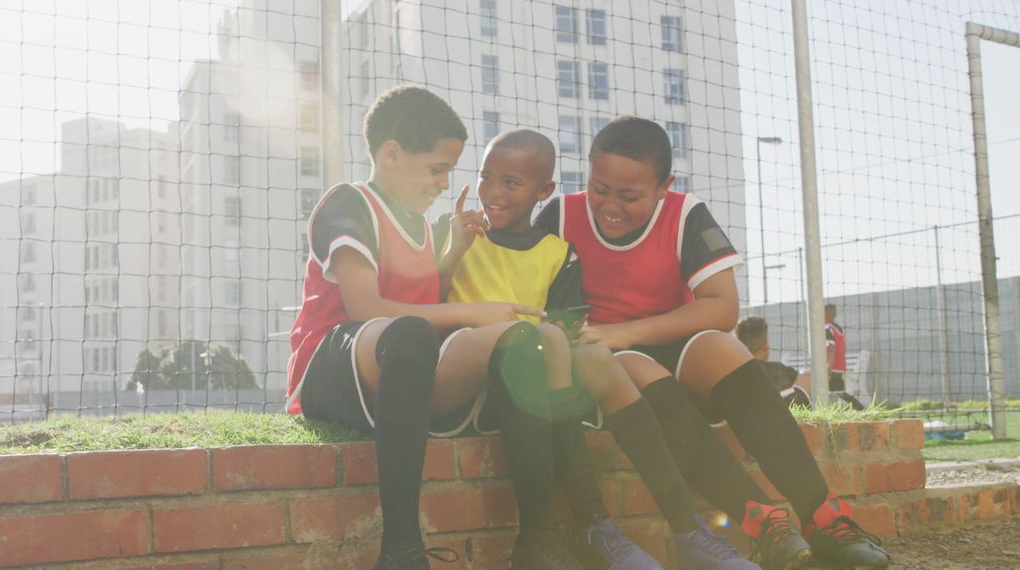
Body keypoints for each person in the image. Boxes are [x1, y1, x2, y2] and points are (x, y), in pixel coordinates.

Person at [536, 116, 891, 569]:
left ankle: (822, 517)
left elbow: (722, 307)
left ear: (665, 185)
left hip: (664, 350)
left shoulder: (685, 213)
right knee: (639, 367)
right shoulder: (560, 216)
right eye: (599, 188)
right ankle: (762, 522)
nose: (609, 206)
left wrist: (626, 330)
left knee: (724, 347)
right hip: (610, 369)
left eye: (630, 197)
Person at [440, 128, 759, 569]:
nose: (492, 192)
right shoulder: (455, 235)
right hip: (472, 380)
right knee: (545, 344)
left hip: (535, 384)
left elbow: (566, 330)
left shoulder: (558, 252)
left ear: (544, 191)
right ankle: (586, 523)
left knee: (586, 354)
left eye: (510, 183)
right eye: (485, 176)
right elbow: (429, 307)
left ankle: (676, 529)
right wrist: (453, 250)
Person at [286, 86, 572, 570]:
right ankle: (401, 552)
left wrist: (453, 254)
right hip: (332, 370)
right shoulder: (348, 203)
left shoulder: (420, 222)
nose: (444, 183)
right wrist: (470, 311)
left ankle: (539, 542)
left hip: (401, 366)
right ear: (392, 154)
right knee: (415, 333)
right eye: (437, 169)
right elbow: (367, 308)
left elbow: (420, 304)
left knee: (521, 338)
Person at [735, 316, 811, 409]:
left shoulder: (731, 375)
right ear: (766, 345)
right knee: (807, 376)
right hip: (781, 419)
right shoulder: (781, 372)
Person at [825, 304, 865, 410]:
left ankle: (861, 409)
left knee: (831, 392)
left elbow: (832, 349)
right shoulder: (838, 328)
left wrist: (828, 368)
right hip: (840, 366)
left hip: (832, 367)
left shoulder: (827, 329)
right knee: (839, 392)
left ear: (826, 314)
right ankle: (860, 409)